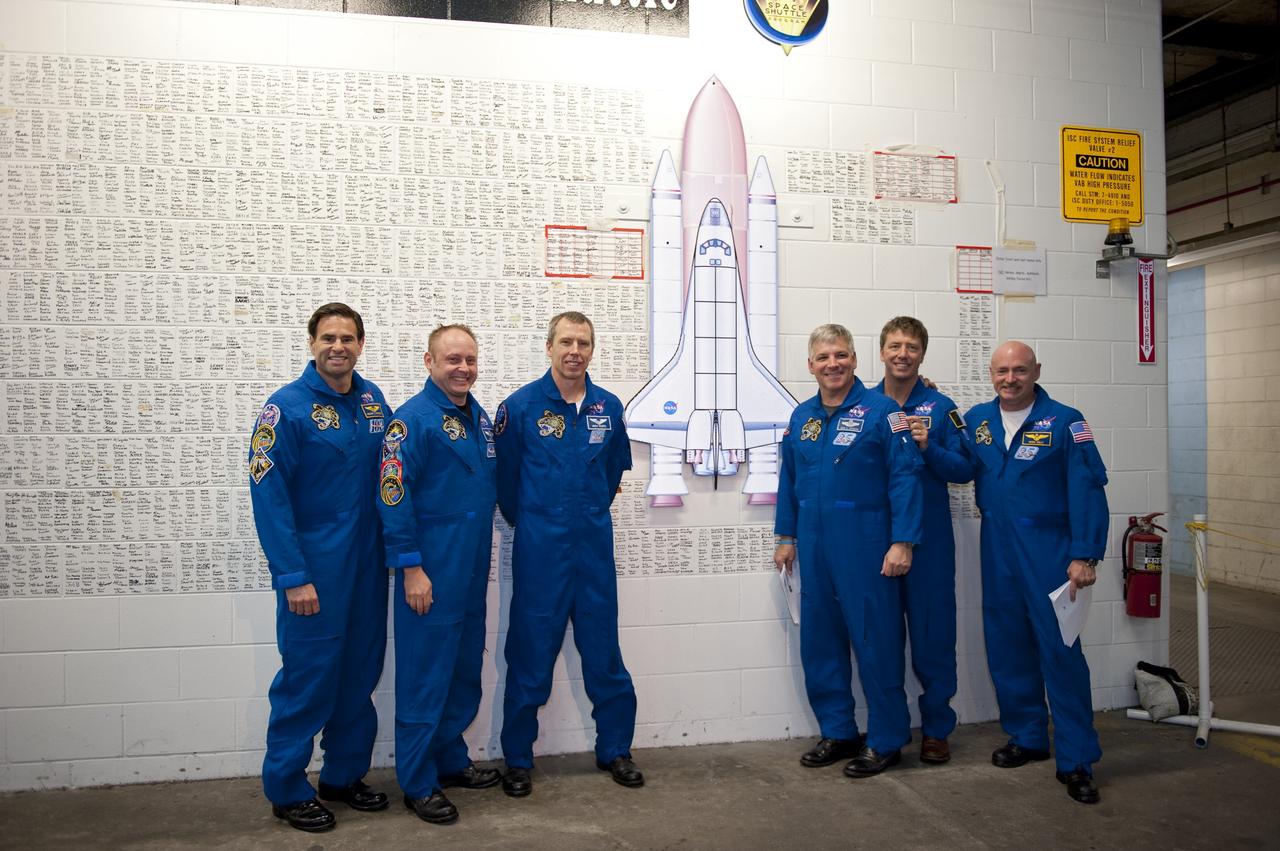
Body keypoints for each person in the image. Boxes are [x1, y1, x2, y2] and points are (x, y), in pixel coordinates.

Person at [248, 303, 391, 832]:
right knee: (308, 680)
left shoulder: (374, 401)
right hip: (315, 572)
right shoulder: (283, 410)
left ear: (360, 344)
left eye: (348, 338)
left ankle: (342, 776)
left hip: (368, 568)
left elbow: (393, 479)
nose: (339, 346)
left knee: (359, 675)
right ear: (311, 343)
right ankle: (286, 789)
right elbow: (269, 496)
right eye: (328, 337)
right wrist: (292, 575)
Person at [494, 311, 642, 796]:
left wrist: (586, 511)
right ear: (549, 347)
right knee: (529, 655)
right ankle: (517, 758)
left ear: (592, 350)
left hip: (594, 553)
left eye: (583, 343)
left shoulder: (608, 406)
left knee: (605, 655)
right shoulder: (518, 408)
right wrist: (540, 521)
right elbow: (506, 485)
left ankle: (616, 749)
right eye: (566, 342)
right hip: (541, 553)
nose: (574, 351)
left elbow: (615, 470)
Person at [774, 323, 923, 777]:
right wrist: (786, 537)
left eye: (840, 355)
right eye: (823, 358)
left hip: (867, 544)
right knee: (819, 642)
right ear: (811, 366)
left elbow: (905, 476)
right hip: (814, 546)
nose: (832, 364)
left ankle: (886, 738)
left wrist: (903, 541)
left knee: (874, 641)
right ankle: (838, 730)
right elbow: (789, 481)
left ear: (855, 360)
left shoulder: (883, 412)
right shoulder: (802, 417)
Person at [964, 341, 1108, 804]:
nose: (1010, 379)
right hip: (997, 547)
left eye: (1020, 370)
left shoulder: (1066, 421)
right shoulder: (978, 421)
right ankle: (1027, 736)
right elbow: (955, 465)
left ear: (1036, 371)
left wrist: (1085, 554)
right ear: (992, 374)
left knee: (1061, 655)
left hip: (1049, 550)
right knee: (1008, 647)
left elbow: (1088, 488)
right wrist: (926, 436)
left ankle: (1077, 759)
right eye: (1002, 371)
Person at [375, 324, 502, 825]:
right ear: (429, 361)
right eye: (452, 359)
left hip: (469, 570)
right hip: (430, 570)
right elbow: (392, 494)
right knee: (425, 676)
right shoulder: (412, 422)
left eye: (469, 359)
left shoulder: (480, 418)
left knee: (463, 670)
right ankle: (418, 780)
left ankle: (449, 759)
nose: (463, 368)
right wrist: (410, 568)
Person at [876, 316, 971, 764]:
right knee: (881, 636)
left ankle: (936, 728)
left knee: (933, 635)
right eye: (895, 345)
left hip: (930, 542)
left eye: (911, 347)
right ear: (881, 352)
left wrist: (930, 445)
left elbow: (964, 469)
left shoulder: (941, 406)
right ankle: (889, 729)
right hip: (877, 540)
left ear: (922, 354)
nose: (902, 354)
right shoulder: (865, 405)